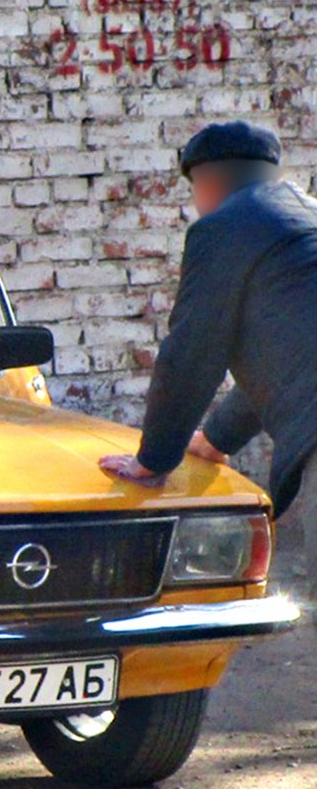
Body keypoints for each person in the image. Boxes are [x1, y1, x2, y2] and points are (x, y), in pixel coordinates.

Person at [99, 121, 317, 592]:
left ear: (209, 183)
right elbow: (290, 360)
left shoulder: (225, 228)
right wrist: (216, 439)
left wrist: (154, 459)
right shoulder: (305, 221)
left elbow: (192, 354)